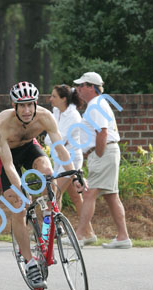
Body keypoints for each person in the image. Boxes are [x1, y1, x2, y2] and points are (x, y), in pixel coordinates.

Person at [0, 81, 83, 289]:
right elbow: (8, 166)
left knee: (48, 175)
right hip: (7, 156)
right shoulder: (1, 124)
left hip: (30, 148)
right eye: (21, 105)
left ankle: (46, 222)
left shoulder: (45, 116)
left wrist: (74, 174)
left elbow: (60, 150)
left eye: (30, 104)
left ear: (35, 104)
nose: (26, 110)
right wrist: (21, 193)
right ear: (14, 106)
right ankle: (30, 262)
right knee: (19, 206)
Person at [73, 72, 132, 249]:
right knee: (111, 196)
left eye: (82, 85)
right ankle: (123, 237)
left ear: (92, 87)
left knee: (89, 193)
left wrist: (97, 153)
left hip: (103, 153)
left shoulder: (95, 105)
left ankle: (80, 236)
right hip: (107, 152)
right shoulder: (97, 104)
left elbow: (102, 132)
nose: (78, 89)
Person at [44, 84, 96, 243]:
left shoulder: (73, 116)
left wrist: (50, 140)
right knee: (76, 198)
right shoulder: (56, 112)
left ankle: (51, 232)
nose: (50, 99)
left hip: (70, 160)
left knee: (54, 193)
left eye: (54, 96)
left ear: (64, 99)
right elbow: (50, 137)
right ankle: (89, 234)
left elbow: (59, 138)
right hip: (58, 158)